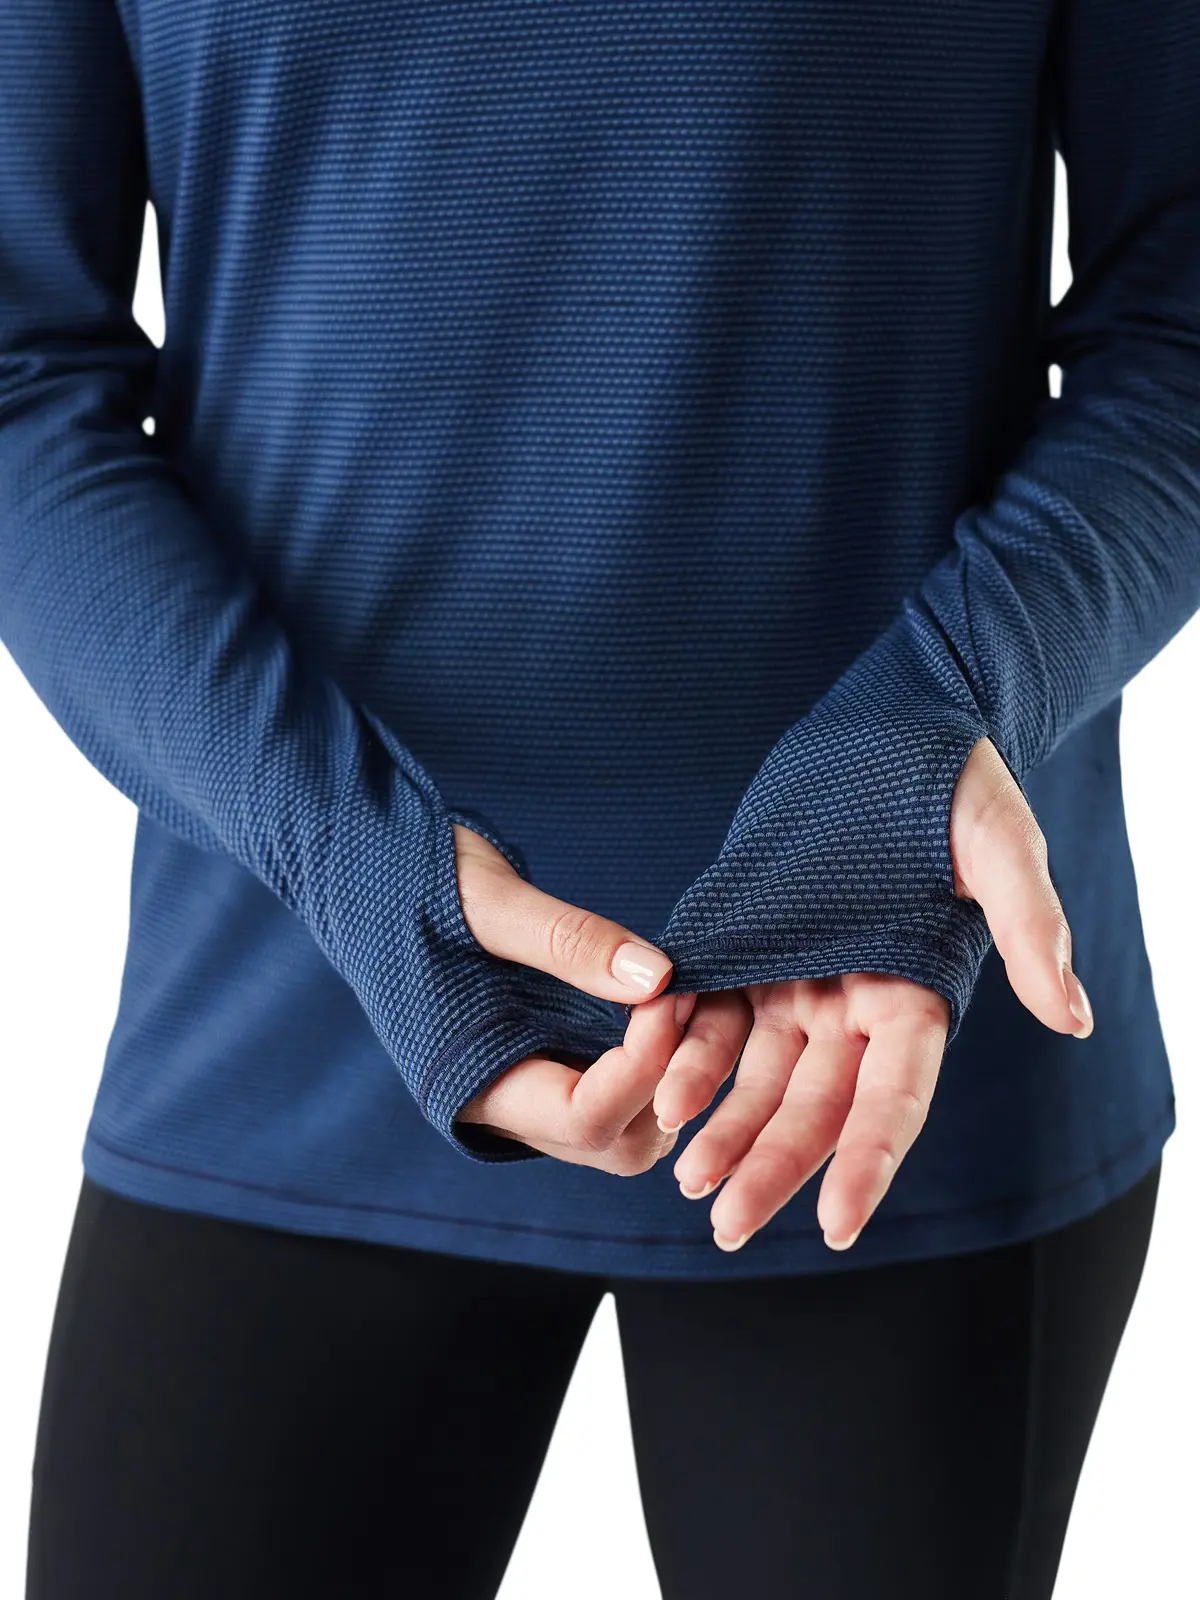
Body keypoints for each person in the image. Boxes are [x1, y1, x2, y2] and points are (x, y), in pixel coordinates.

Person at [2, 1, 1195, 1596]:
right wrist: (339, 840)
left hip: (883, 1030)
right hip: (289, 998)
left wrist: (948, 697)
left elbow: (1179, 323)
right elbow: (20, 372)